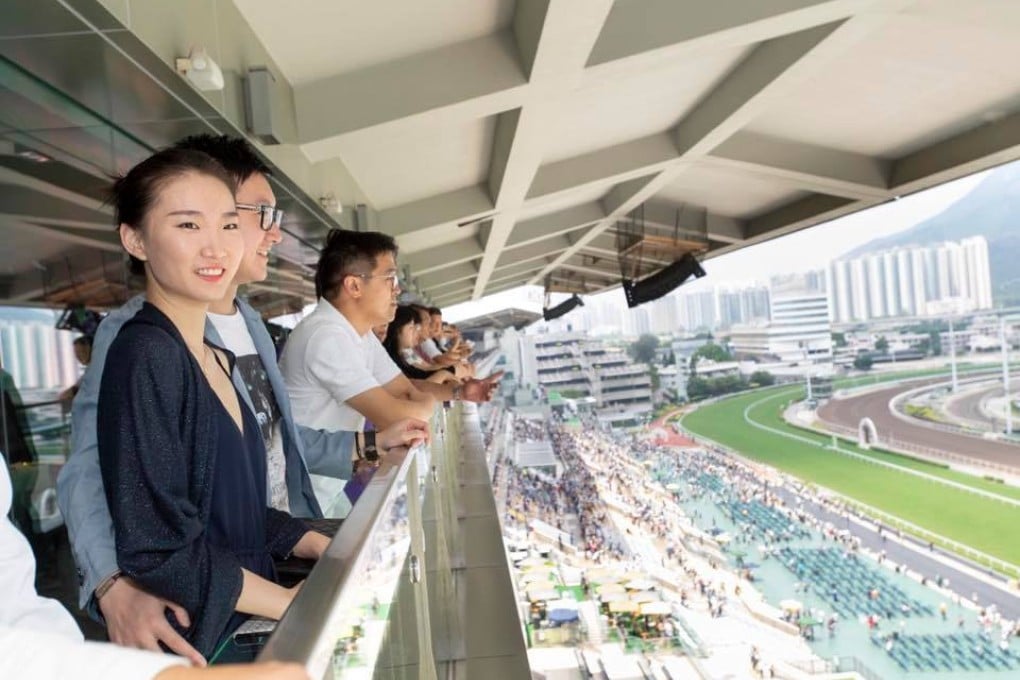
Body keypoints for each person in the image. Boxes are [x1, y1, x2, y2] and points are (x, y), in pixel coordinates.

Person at [58, 136, 427, 664]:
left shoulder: (242, 330)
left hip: (262, 561)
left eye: (230, 222)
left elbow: (269, 451)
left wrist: (361, 457)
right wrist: (111, 584)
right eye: (261, 214)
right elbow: (96, 469)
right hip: (215, 602)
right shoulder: (138, 342)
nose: (273, 233)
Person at [97, 147, 330, 659]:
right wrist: (292, 602)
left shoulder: (215, 354)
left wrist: (316, 543)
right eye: (187, 226)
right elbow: (158, 548)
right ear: (135, 240)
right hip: (212, 638)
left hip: (254, 615)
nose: (215, 249)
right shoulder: (145, 355)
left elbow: (231, 509)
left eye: (228, 226)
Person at [0, 455, 308, 680]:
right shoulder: (134, 366)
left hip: (67, 653)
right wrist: (111, 582)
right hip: (185, 622)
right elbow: (85, 470)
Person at [281, 230, 495, 435]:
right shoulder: (326, 336)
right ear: (354, 286)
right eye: (389, 279)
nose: (397, 290)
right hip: (303, 472)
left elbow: (404, 389)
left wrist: (458, 393)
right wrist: (423, 405)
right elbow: (394, 416)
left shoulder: (359, 334)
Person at [382, 305, 458, 384]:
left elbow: (425, 368)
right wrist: (449, 371)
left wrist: (449, 371)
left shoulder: (408, 351)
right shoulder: (402, 353)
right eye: (412, 327)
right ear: (397, 328)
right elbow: (419, 378)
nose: (430, 327)